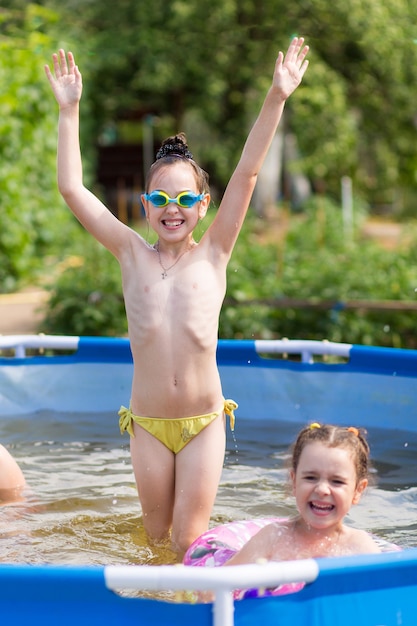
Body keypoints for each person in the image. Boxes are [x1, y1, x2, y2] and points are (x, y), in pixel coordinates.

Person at [44, 37, 309, 554]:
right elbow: (73, 189)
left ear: (203, 205)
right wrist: (69, 110)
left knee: (189, 538)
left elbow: (248, 173)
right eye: (161, 198)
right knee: (154, 538)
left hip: (203, 422)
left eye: (185, 198)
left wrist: (276, 97)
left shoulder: (214, 254)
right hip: (146, 423)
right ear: (145, 205)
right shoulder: (129, 253)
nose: (173, 208)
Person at [225, 423, 381, 567]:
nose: (322, 490)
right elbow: (221, 584)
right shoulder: (272, 537)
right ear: (294, 483)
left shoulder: (360, 548)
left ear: (358, 490)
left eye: (337, 481)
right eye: (310, 478)